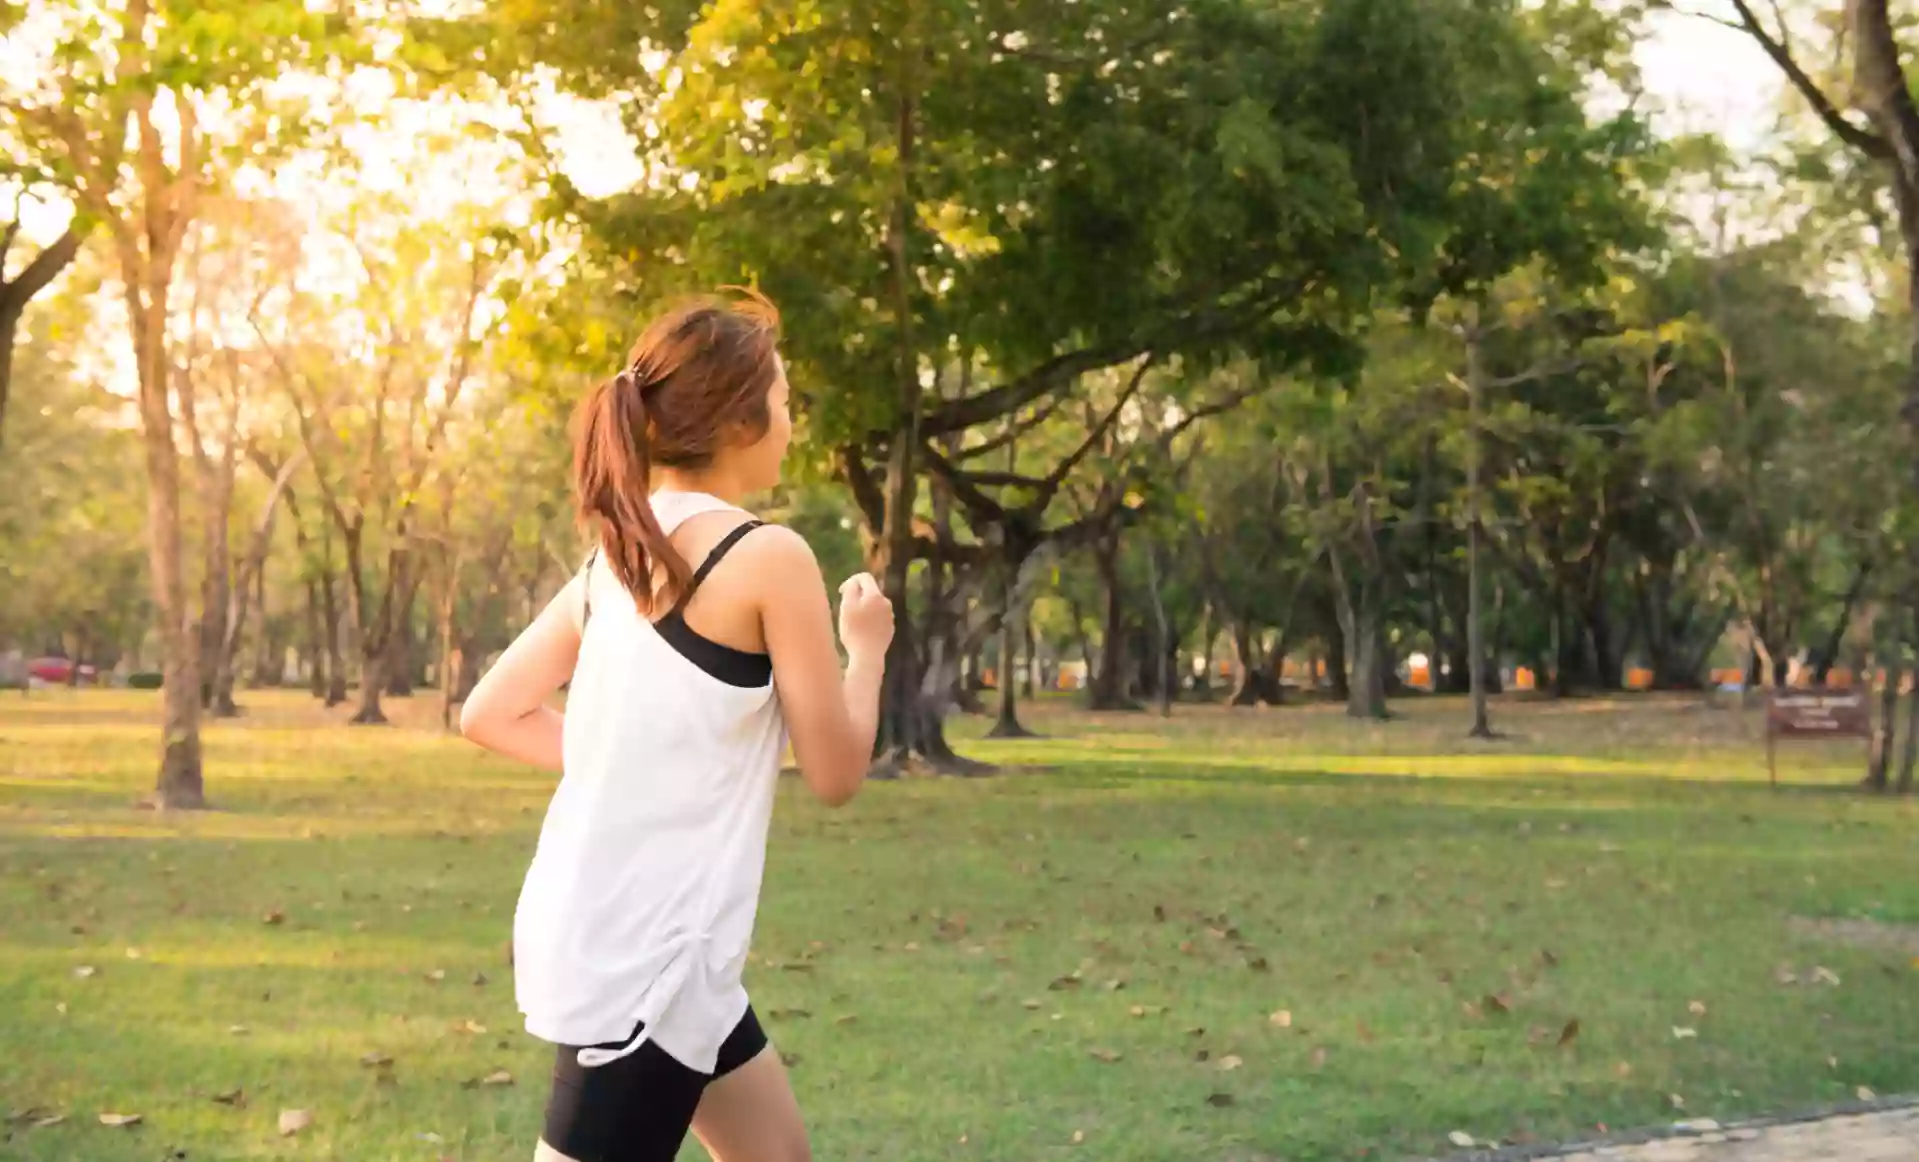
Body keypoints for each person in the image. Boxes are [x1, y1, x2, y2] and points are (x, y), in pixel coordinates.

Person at [459, 291, 894, 1162]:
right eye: (783, 402)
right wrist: (867, 648)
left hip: (661, 951)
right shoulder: (767, 557)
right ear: (738, 419)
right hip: (645, 967)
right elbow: (837, 771)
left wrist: (629, 766)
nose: (791, 425)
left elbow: (490, 712)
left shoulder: (614, 557)